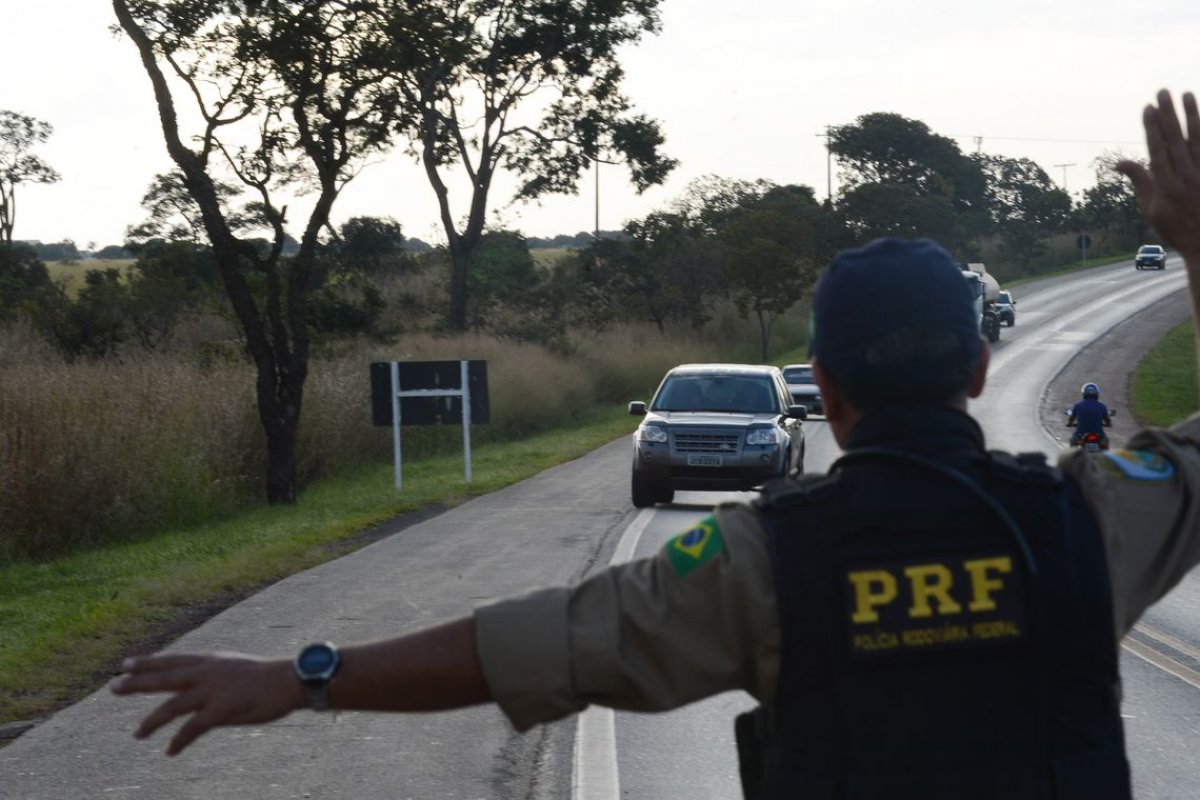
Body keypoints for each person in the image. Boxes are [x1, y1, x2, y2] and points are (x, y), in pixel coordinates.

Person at [113, 89, 1200, 797]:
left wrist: (309, 675)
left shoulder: (759, 561)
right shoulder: (1085, 517)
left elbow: (536, 640)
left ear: (820, 384)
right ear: (976, 371)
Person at [1067, 381, 1113, 448]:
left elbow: (1072, 418)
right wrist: (1109, 424)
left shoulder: (1078, 405)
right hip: (1098, 434)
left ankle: (1073, 458)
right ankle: (1104, 457)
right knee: (1106, 442)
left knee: (1072, 441)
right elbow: (1107, 419)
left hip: (1081, 433)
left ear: (1084, 394)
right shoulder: (1102, 406)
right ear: (1097, 394)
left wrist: (1069, 423)